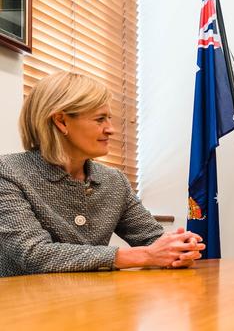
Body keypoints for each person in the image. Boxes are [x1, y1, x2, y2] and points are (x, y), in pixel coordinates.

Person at [0, 71, 205, 277]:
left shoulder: (113, 180)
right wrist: (144, 255)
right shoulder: (8, 172)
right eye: (100, 119)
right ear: (61, 122)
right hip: (21, 305)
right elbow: (35, 254)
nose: (111, 129)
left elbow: (152, 239)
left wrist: (181, 248)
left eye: (109, 118)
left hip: (93, 302)